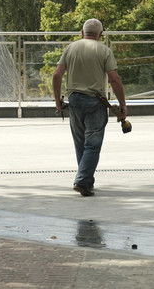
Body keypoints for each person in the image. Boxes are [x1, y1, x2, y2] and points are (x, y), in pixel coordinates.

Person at [52, 18, 127, 197]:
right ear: (101, 34)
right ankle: (82, 180)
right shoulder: (104, 50)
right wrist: (123, 105)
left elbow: (57, 75)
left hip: (75, 100)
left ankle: (86, 180)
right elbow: (115, 79)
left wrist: (57, 100)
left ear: (81, 33)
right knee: (92, 145)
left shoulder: (70, 48)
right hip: (96, 101)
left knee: (80, 144)